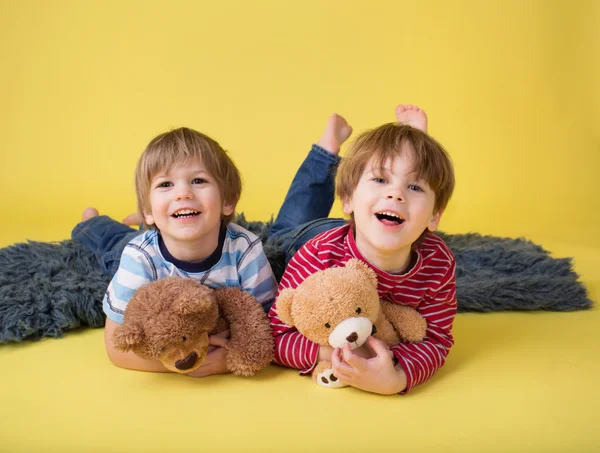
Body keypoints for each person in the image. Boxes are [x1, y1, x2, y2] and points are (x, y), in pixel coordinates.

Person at [268, 105, 457, 395]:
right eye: (380, 179)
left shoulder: (438, 263)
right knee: (284, 228)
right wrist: (330, 355)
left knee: (400, 182)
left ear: (434, 217)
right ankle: (326, 148)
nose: (395, 193)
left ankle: (413, 149)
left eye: (415, 187)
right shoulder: (317, 255)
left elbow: (436, 340)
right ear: (347, 200)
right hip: (301, 240)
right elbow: (277, 335)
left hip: (370, 219)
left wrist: (397, 377)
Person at [72, 127, 277, 377]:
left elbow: (269, 324)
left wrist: (229, 358)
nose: (183, 194)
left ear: (228, 201)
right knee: (111, 244)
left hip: (163, 226)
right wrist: (185, 364)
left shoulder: (245, 250)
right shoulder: (139, 258)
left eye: (198, 181)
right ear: (149, 209)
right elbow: (115, 348)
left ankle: (150, 216)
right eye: (165, 184)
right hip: (143, 247)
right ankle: (91, 221)